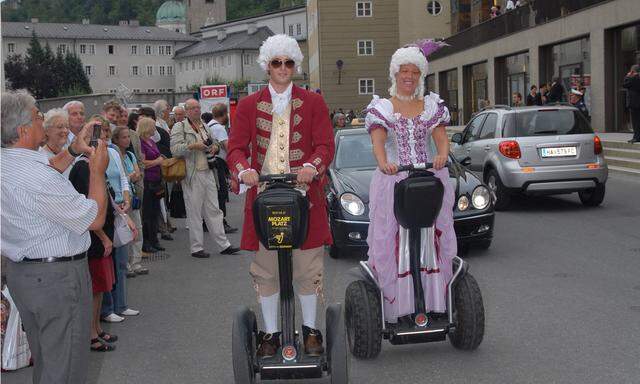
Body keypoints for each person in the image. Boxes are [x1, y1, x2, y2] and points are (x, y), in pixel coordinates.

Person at [227, 34, 334, 357]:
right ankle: (271, 333)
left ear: (295, 66)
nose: (283, 68)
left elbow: (325, 145)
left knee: (306, 267)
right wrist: (245, 169)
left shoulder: (314, 102)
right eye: (277, 63)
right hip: (264, 197)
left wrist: (312, 166)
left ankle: (311, 331)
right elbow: (234, 148)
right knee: (266, 268)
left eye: (289, 62)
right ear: (267, 66)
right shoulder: (247, 105)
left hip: (304, 196)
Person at [1, 89, 109, 384]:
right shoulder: (35, 176)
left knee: (49, 363)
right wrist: (98, 171)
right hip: (57, 279)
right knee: (66, 370)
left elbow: (47, 174)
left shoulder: (9, 163)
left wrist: (73, 151)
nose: (43, 120)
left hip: (26, 275)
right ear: (24, 130)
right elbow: (95, 217)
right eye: (38, 116)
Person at [364, 40, 456, 325]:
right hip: (394, 179)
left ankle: (433, 301)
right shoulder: (383, 107)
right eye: (404, 71)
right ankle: (397, 305)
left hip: (427, 179)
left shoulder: (431, 106)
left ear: (420, 76)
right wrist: (384, 163)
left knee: (432, 237)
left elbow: (441, 140)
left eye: (414, 72)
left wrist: (441, 156)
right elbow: (378, 142)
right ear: (395, 74)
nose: (409, 76)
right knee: (393, 239)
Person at [68, 116, 118, 352]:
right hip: (93, 237)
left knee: (100, 287)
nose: (104, 142)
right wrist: (103, 236)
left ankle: (96, 327)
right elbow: (87, 208)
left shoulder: (93, 164)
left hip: (102, 231)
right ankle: (90, 333)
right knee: (94, 287)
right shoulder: (82, 166)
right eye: (100, 137)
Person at [170, 99, 240, 258]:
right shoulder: (179, 126)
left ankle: (224, 244)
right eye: (192, 108)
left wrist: (214, 146)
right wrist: (193, 146)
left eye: (198, 107)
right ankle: (196, 247)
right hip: (192, 173)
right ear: (186, 111)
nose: (196, 110)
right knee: (194, 211)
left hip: (208, 171)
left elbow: (213, 141)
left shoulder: (204, 125)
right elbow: (174, 150)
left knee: (214, 209)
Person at [89, 116, 140, 323]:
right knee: (105, 262)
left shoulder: (112, 152)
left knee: (120, 261)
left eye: (106, 132)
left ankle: (121, 304)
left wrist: (126, 199)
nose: (105, 137)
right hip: (105, 210)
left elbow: (122, 177)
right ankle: (107, 308)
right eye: (101, 133)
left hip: (120, 207)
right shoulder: (90, 155)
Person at [112, 126, 149, 276]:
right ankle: (126, 264)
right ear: (116, 140)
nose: (127, 140)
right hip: (121, 198)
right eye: (124, 137)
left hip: (132, 196)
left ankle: (136, 262)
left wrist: (131, 176)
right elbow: (125, 177)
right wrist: (130, 176)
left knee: (137, 229)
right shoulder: (114, 156)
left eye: (128, 137)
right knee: (125, 232)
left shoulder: (130, 155)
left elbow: (137, 174)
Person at [206, 102, 238, 234]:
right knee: (222, 193)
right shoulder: (219, 128)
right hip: (219, 162)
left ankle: (207, 222)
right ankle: (221, 222)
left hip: (212, 161)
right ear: (223, 114)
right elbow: (227, 146)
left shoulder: (208, 126)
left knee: (213, 193)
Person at [138, 117, 167, 253]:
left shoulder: (151, 141)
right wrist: (158, 161)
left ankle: (154, 239)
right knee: (148, 213)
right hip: (148, 180)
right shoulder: (141, 142)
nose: (155, 128)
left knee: (155, 212)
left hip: (156, 179)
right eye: (153, 126)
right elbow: (143, 163)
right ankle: (147, 242)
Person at [40, 108, 72, 178]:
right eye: (60, 127)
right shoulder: (42, 157)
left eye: (67, 127)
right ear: (47, 131)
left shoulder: (69, 152)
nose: (65, 130)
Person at [623, 64, 640, 143]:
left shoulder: (632, 78)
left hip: (634, 103)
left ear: (632, 71)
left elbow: (624, 84)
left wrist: (627, 76)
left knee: (635, 121)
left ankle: (636, 137)